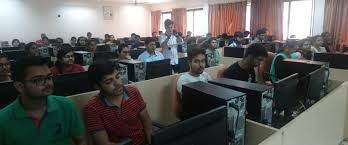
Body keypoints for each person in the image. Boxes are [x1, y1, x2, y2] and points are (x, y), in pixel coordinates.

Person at [0, 56, 87, 145]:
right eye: (38, 80)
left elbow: (81, 140)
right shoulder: (3, 119)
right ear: (20, 86)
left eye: (49, 77)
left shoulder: (66, 105)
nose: (48, 83)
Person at [84, 62, 152, 145]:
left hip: (141, 141)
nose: (118, 83)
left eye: (118, 77)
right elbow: (103, 142)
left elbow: (146, 120)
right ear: (97, 86)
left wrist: (150, 141)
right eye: (109, 82)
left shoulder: (133, 91)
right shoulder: (92, 107)